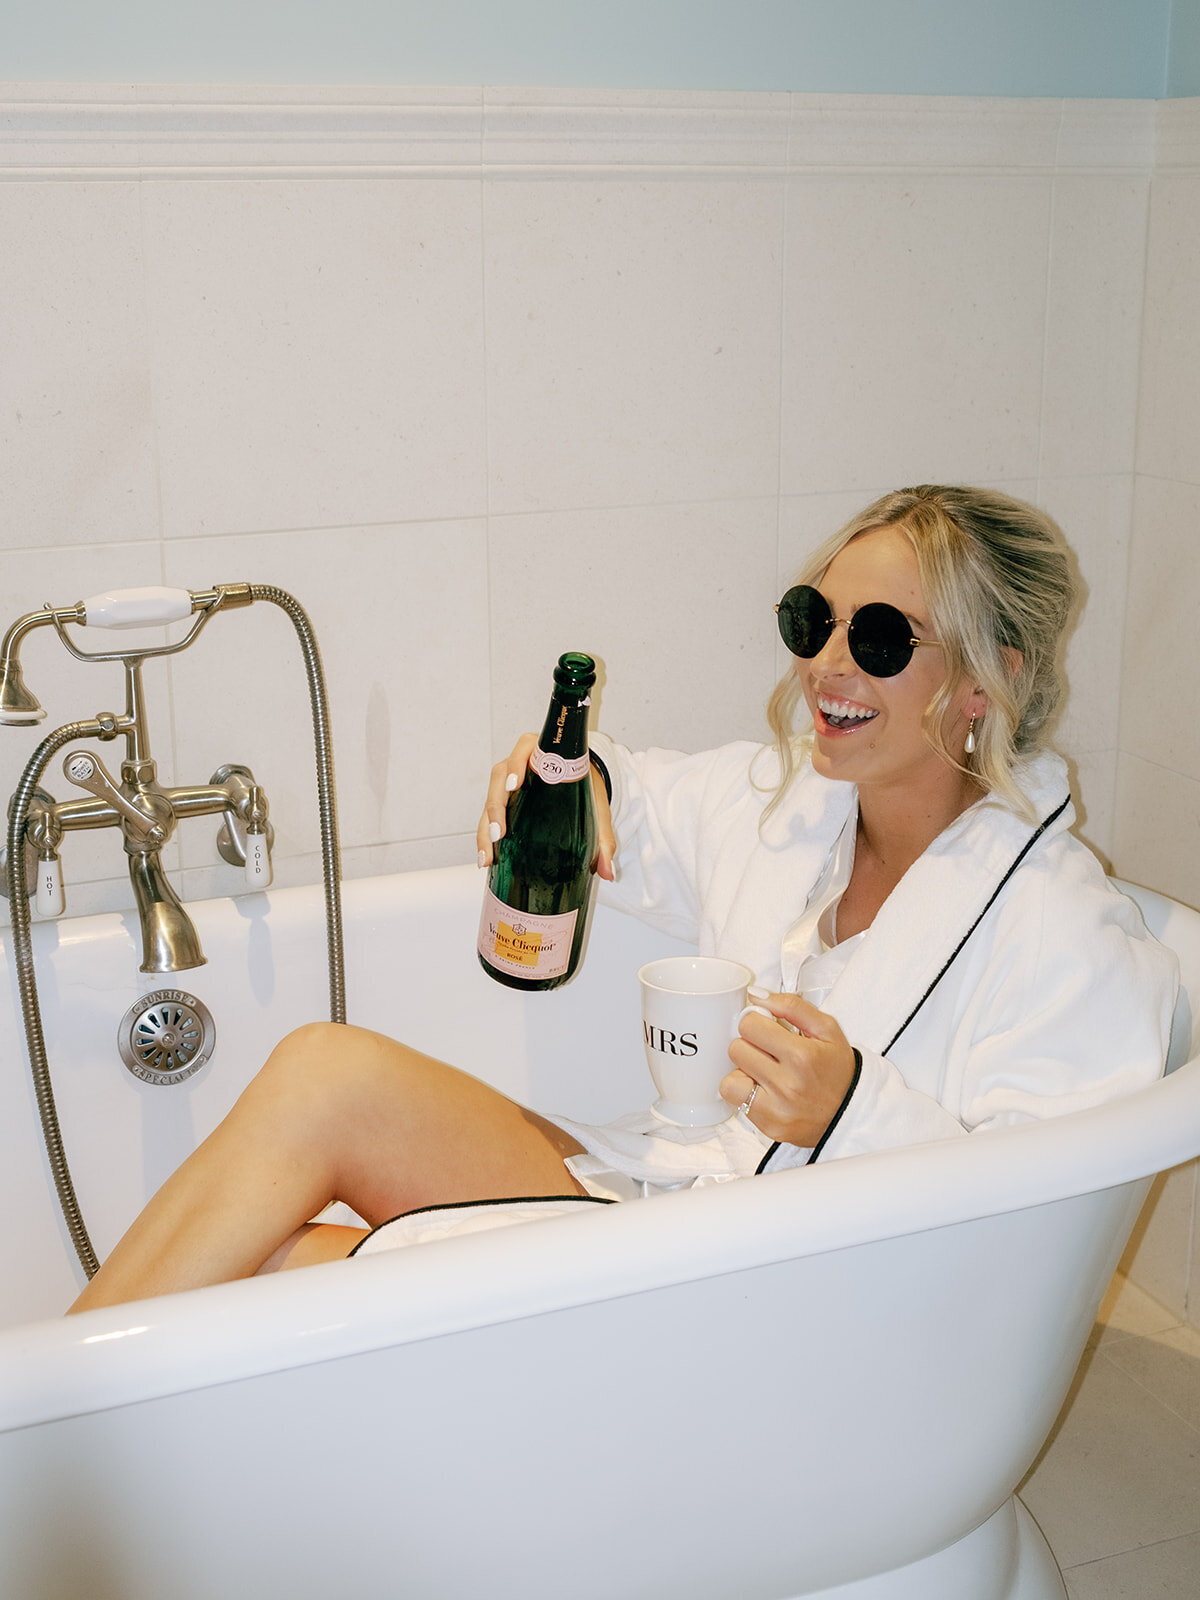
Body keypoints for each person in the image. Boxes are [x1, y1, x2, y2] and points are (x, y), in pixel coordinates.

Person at [69, 485, 1178, 1312]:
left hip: (806, 1309)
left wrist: (852, 1110)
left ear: (989, 680)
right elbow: (638, 800)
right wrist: (572, 779)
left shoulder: (1067, 937)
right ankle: (41, 1422)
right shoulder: (794, 807)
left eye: (881, 639)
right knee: (324, 1074)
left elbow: (1036, 1246)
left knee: (269, 1269)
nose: (829, 666)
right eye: (814, 621)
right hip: (678, 1213)